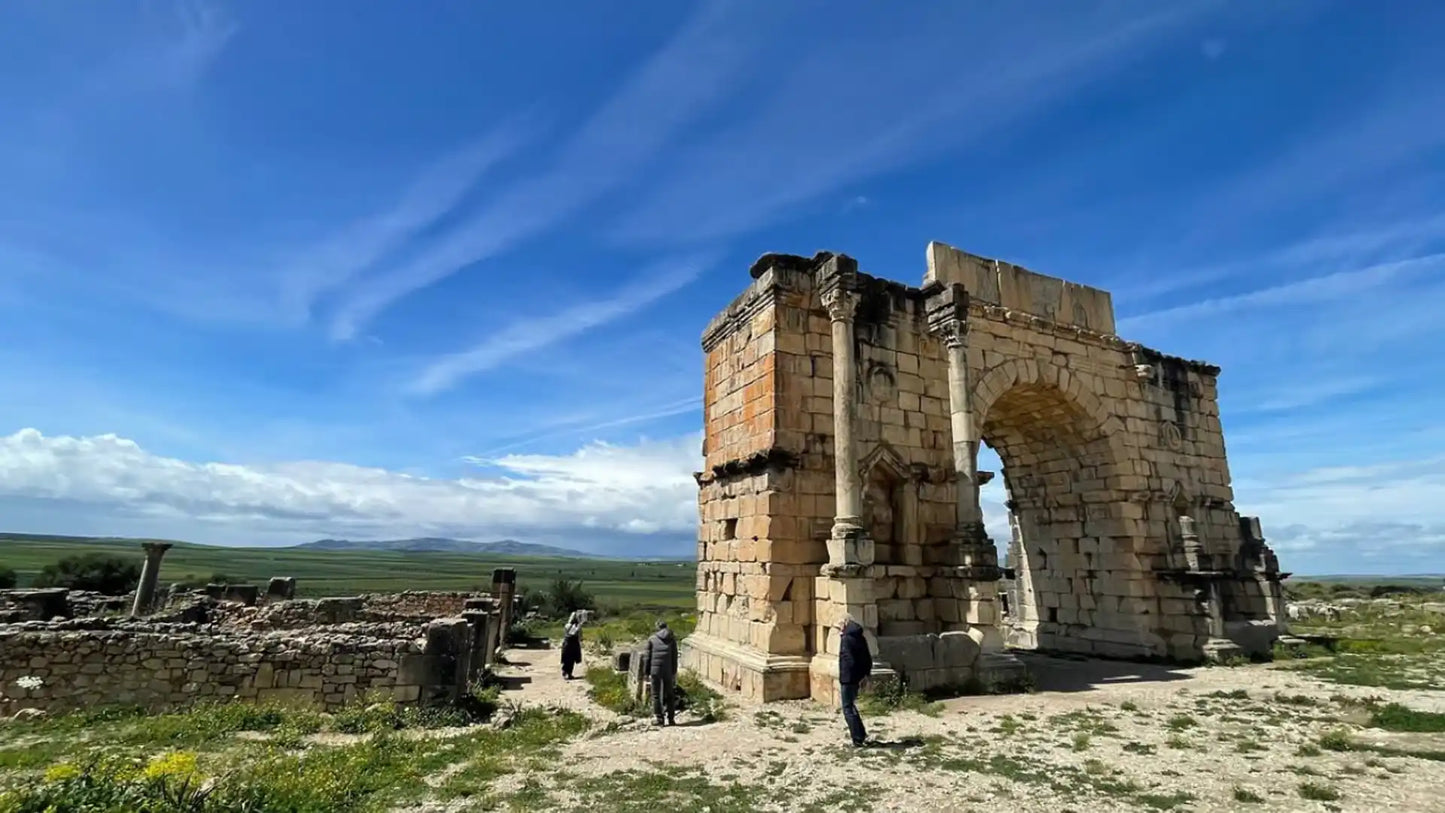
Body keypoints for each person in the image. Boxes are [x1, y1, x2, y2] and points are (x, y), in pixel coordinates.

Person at [837, 613, 872, 747]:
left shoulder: (846, 638)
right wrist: (864, 675)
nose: (839, 629)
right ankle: (861, 734)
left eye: (840, 625)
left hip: (848, 678)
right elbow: (866, 658)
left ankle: (857, 738)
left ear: (845, 623)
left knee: (847, 708)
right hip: (857, 677)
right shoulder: (859, 637)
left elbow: (848, 660)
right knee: (852, 707)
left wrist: (846, 675)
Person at [643, 619, 679, 725]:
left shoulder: (652, 639)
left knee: (656, 695)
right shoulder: (672, 640)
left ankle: (659, 718)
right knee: (670, 694)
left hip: (655, 670)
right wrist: (674, 672)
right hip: (668, 670)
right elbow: (674, 657)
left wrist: (646, 672)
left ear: (657, 628)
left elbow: (647, 658)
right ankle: (671, 719)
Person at [560, 610, 584, 680]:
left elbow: (565, 634)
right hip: (574, 644)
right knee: (572, 659)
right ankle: (568, 673)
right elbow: (580, 636)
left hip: (567, 643)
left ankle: (565, 671)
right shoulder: (578, 627)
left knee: (567, 658)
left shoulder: (567, 625)